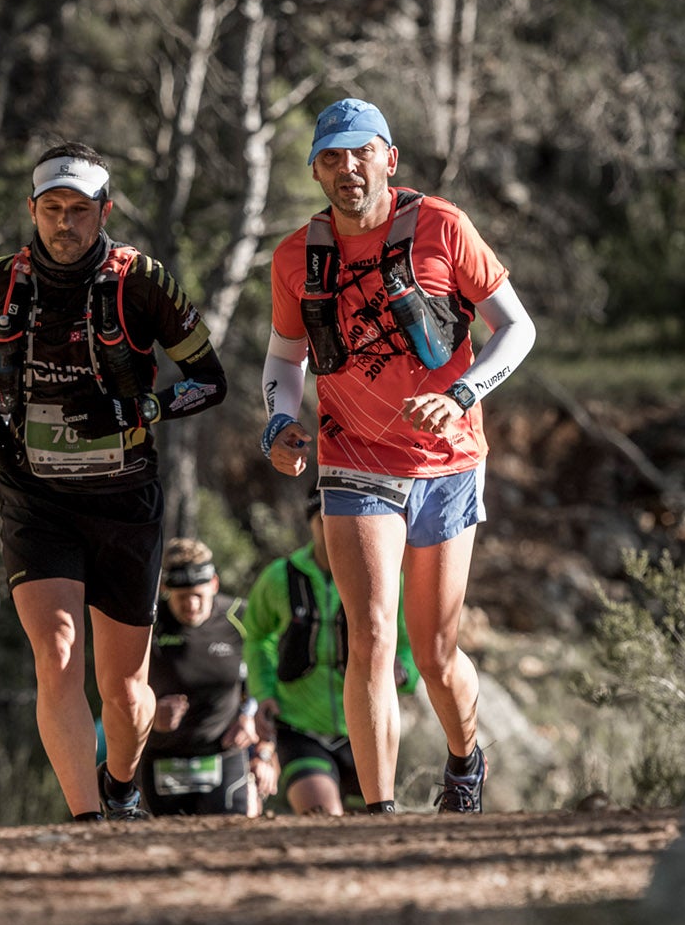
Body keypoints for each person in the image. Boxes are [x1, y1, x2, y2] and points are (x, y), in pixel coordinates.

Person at [260, 97, 535, 813]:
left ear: (390, 158)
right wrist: (279, 423)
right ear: (316, 168)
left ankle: (464, 757)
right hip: (353, 456)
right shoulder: (296, 257)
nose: (347, 168)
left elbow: (519, 330)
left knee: (435, 653)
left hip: (447, 461)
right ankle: (380, 815)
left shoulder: (443, 228)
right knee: (371, 632)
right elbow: (285, 358)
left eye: (360, 152)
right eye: (331, 156)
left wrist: (465, 392)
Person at [0, 143, 228, 821]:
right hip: (33, 495)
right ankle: (86, 820)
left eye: (80, 210)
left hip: (123, 498)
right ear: (33, 210)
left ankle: (122, 783)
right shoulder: (3, 282)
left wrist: (145, 407)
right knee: (56, 653)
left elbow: (210, 378)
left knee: (125, 686)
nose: (66, 224)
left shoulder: (141, 282)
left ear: (104, 210)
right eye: (53, 209)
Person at [245, 488, 421, 814]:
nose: (331, 528)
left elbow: (411, 643)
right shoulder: (280, 577)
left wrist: (405, 673)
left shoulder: (385, 579)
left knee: (368, 827)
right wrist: (264, 690)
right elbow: (257, 637)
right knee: (324, 815)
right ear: (310, 523)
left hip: (367, 729)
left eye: (341, 519)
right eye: (322, 520)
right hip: (301, 727)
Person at [141, 539, 274, 817]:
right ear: (165, 589)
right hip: (159, 757)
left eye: (199, 595)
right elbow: (118, 686)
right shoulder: (148, 622)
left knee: (231, 842)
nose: (191, 604)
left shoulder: (240, 617)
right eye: (181, 597)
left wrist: (249, 719)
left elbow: (266, 677)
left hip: (222, 753)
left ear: (214, 584)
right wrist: (151, 713)